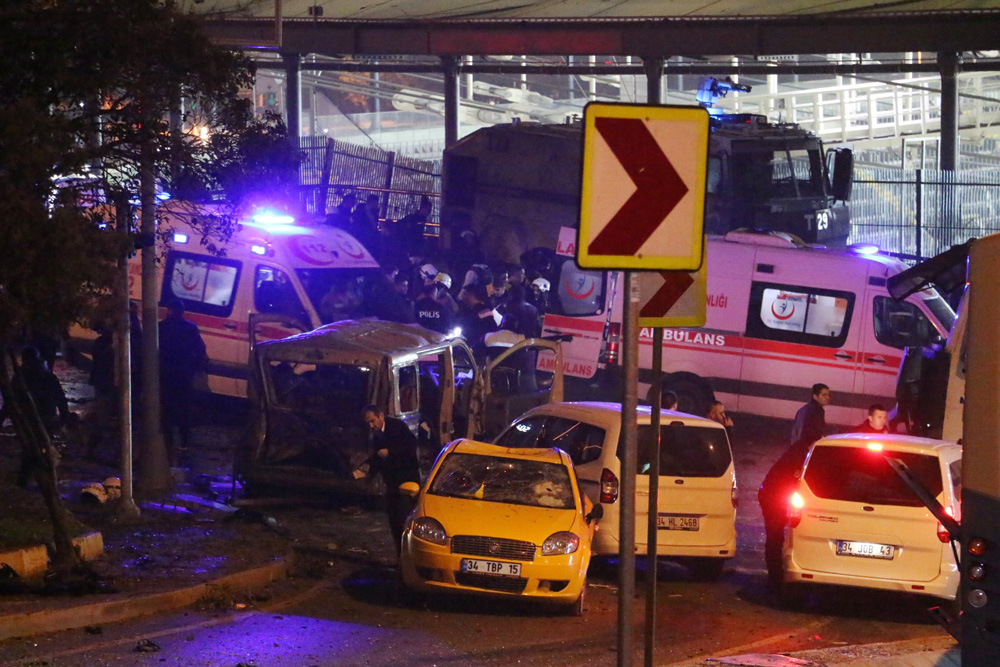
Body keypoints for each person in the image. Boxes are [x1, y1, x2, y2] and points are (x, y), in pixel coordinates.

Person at [758, 383, 831, 590]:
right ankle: (775, 578)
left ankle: (777, 575)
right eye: (824, 395)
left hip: (773, 493)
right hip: (773, 496)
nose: (828, 398)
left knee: (778, 537)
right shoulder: (802, 455)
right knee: (776, 536)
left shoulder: (800, 442)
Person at [362, 405, 420, 556]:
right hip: (392, 483)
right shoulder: (376, 435)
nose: (371, 426)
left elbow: (411, 445)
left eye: (373, 421)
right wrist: (369, 475)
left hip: (407, 481)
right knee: (393, 520)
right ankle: (400, 555)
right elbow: (377, 457)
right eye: (368, 423)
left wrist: (391, 451)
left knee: (404, 519)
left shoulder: (397, 426)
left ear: (380, 416)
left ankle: (409, 555)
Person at [158, 298, 208, 459]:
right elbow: (200, 349)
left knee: (166, 410)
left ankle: (167, 442)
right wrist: (198, 367)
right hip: (184, 375)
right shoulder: (190, 328)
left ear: (169, 310)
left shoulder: (161, 327)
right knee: (184, 410)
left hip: (165, 374)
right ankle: (184, 442)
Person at [789, 383, 830, 448]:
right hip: (807, 447)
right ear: (815, 396)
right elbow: (815, 432)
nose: (827, 397)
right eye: (824, 395)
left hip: (797, 446)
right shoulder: (817, 411)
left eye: (828, 395)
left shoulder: (803, 409)